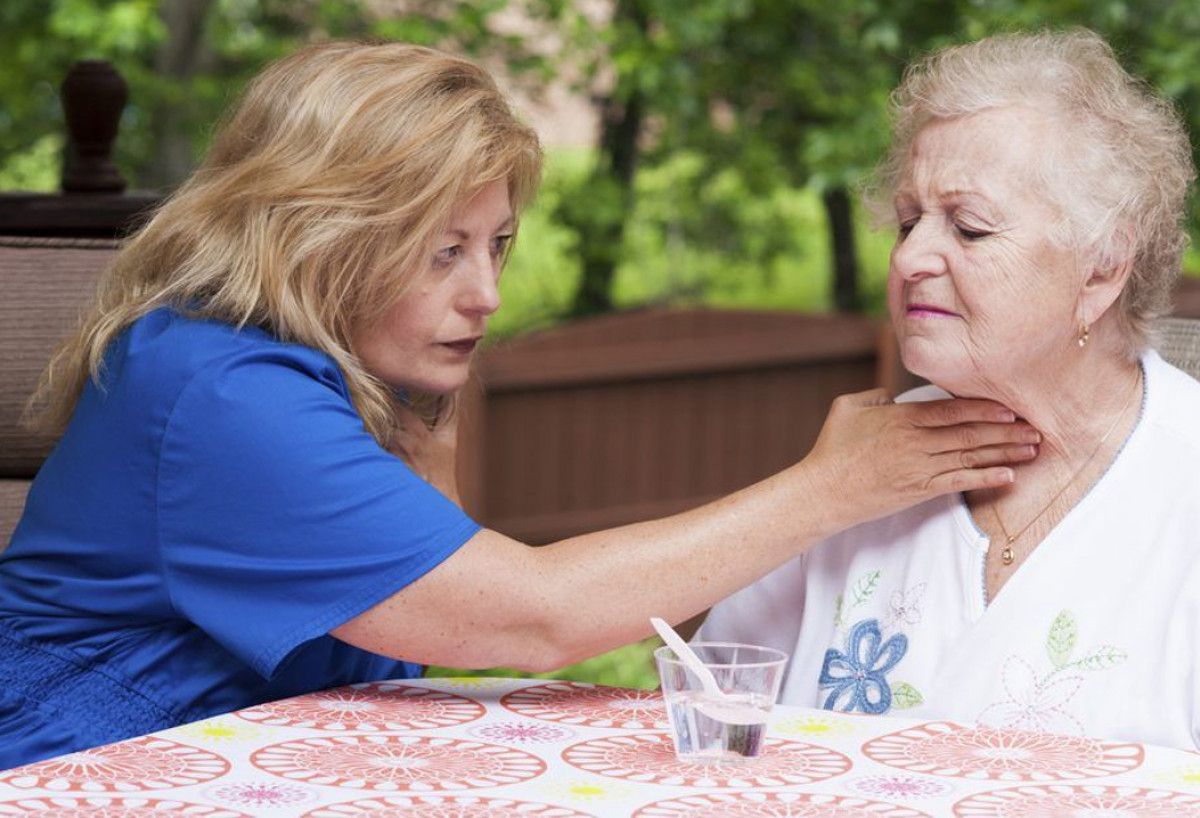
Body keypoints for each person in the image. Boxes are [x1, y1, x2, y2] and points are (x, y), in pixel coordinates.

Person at [0, 41, 1037, 769]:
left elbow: (433, 613)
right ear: (322, 231)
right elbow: (528, 615)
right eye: (441, 249)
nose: (486, 294)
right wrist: (832, 486)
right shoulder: (223, 397)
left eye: (495, 245)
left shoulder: (323, 370)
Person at [700, 29, 1200, 750]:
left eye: (967, 229)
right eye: (907, 222)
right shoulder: (860, 466)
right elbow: (714, 701)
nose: (908, 257)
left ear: (1102, 266)